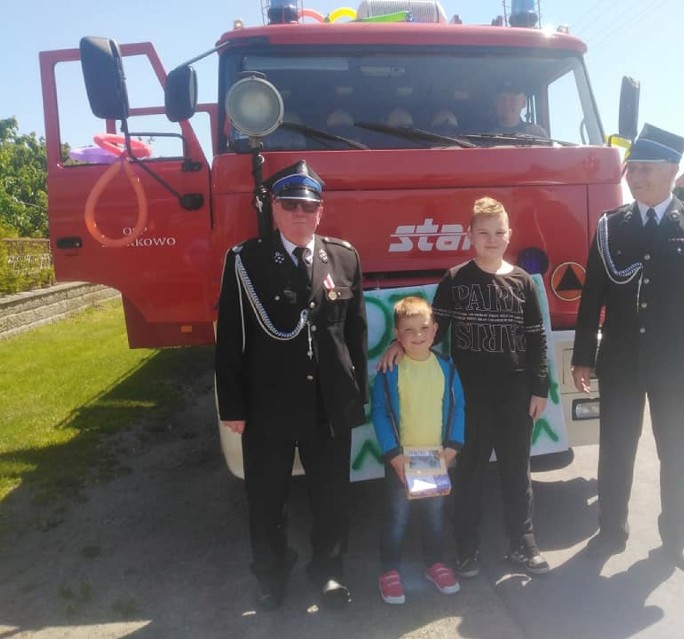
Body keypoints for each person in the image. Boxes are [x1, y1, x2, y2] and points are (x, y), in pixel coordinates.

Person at [571, 124, 684, 578]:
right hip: (621, 359)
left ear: (671, 171)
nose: (635, 176)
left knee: (678, 450)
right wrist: (584, 354)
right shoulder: (611, 225)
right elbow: (592, 296)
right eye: (632, 167)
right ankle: (610, 530)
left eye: (645, 168)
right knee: (616, 447)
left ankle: (677, 534)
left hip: (678, 365)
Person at [215, 160, 368, 609]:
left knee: (332, 498)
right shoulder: (246, 261)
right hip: (269, 404)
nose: (301, 214)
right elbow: (229, 339)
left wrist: (355, 399)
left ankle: (330, 571)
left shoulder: (344, 257)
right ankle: (271, 572)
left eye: (309, 205)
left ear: (321, 210)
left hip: (328, 403)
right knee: (266, 498)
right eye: (291, 205)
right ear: (274, 209)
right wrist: (233, 407)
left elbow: (354, 335)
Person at [380, 196, 552, 578]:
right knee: (469, 473)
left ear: (510, 236)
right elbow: (432, 329)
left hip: (516, 394)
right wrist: (397, 343)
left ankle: (523, 545)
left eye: (499, 233)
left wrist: (540, 388)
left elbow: (537, 339)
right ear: (470, 235)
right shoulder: (456, 279)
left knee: (515, 472)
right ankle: (467, 548)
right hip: (468, 396)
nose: (492, 240)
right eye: (483, 233)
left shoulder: (522, 282)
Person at [371, 296, 466, 605]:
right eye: (409, 330)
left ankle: (435, 563)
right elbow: (381, 412)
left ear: (435, 330)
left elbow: (459, 407)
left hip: (437, 460)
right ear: (397, 336)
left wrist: (452, 447)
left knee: (435, 516)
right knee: (396, 517)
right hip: (402, 461)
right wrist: (393, 454)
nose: (418, 335)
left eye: (424, 328)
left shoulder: (446, 367)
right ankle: (390, 570)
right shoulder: (389, 369)